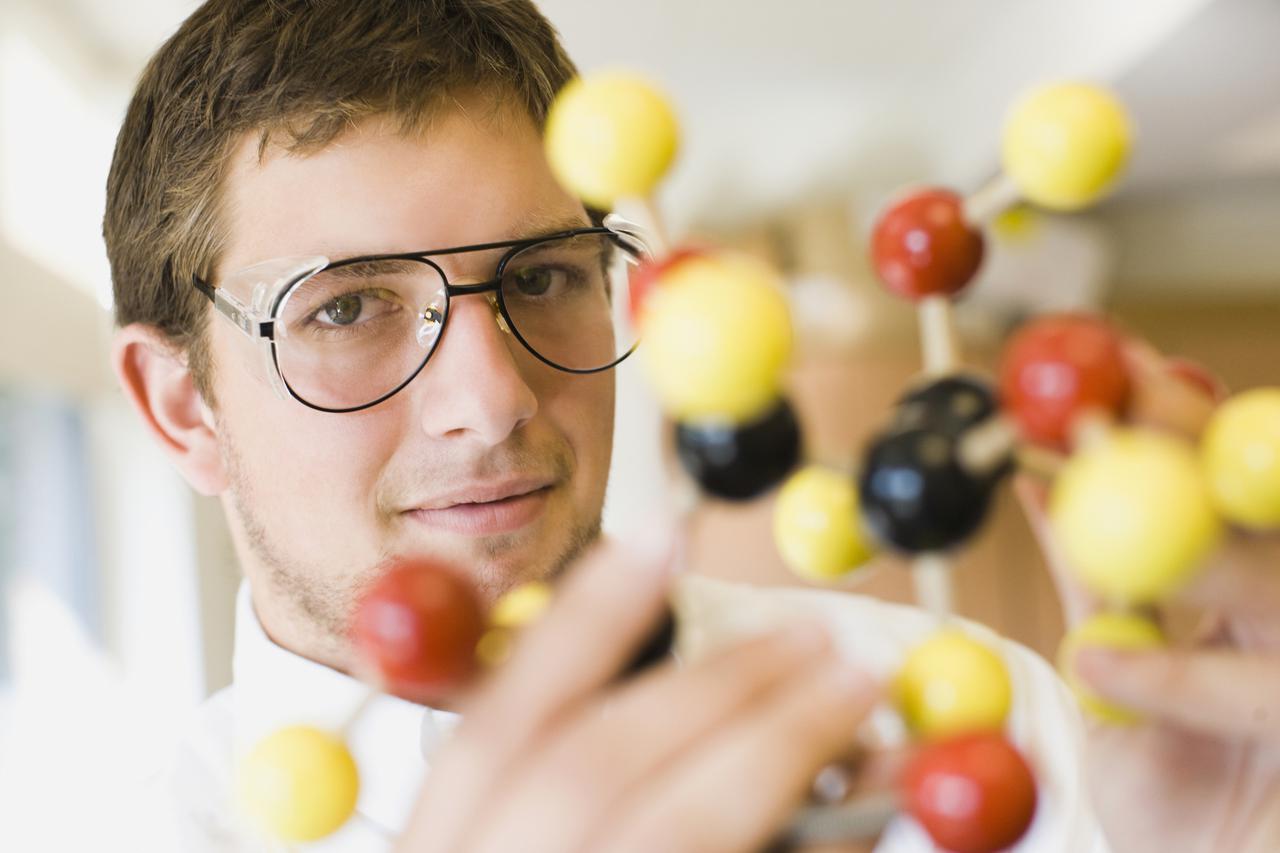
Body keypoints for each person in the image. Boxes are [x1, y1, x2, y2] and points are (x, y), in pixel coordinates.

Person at [103, 1, 1275, 851]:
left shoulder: (976, 720)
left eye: (544, 276)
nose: (490, 398)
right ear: (178, 407)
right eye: (345, 308)